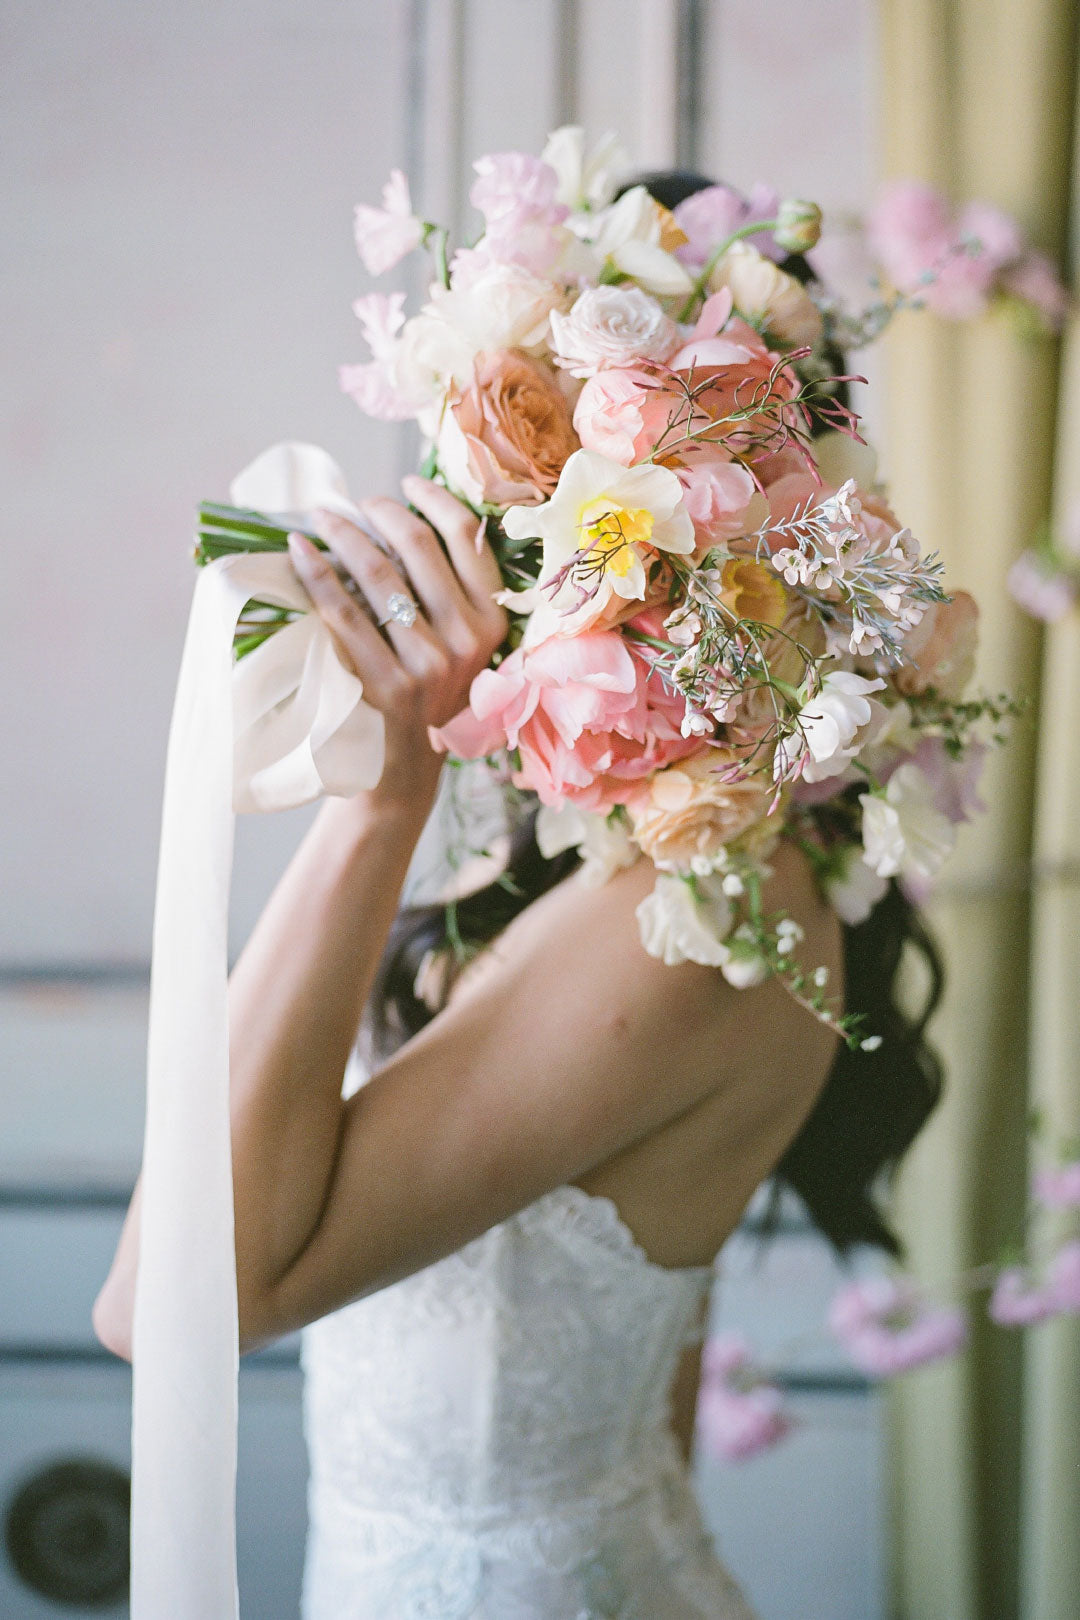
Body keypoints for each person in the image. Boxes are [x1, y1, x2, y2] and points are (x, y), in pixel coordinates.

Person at [94, 175, 943, 1619]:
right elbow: (644, 1403)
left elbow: (165, 1311)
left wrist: (382, 801)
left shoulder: (693, 927)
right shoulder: (618, 866)